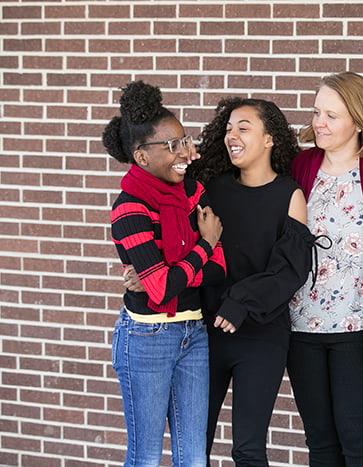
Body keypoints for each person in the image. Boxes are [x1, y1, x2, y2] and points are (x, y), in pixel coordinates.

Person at [103, 80, 226, 466]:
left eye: (184, 141)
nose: (186, 153)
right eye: (172, 146)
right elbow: (162, 288)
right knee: (145, 457)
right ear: (141, 157)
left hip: (194, 332)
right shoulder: (129, 210)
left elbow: (218, 270)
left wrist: (172, 271)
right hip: (146, 337)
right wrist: (203, 246)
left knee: (193, 458)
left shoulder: (192, 192)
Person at [188, 97, 314, 466]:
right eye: (228, 129)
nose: (232, 136)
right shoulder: (211, 189)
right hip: (205, 333)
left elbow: (290, 269)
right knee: (194, 444)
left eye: (243, 127)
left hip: (261, 337)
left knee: (248, 449)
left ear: (270, 138)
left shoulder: (289, 194)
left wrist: (241, 301)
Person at [287, 71, 363, 467]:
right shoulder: (300, 166)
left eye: (331, 115)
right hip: (300, 326)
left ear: (359, 121)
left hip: (358, 328)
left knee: (358, 440)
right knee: (320, 443)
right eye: (317, 112)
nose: (319, 122)